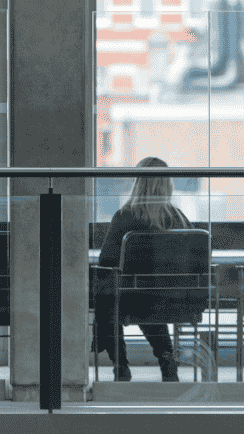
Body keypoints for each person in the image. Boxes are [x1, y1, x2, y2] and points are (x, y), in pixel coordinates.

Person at [96, 156, 187, 382]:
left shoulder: (125, 216)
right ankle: (167, 359)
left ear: (137, 182)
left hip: (133, 297)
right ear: (167, 184)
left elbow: (106, 260)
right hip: (174, 297)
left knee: (107, 296)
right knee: (149, 298)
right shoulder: (177, 218)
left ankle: (120, 365)